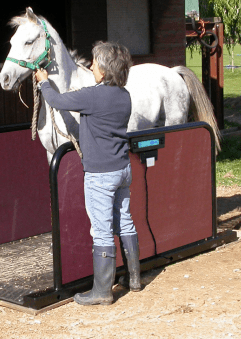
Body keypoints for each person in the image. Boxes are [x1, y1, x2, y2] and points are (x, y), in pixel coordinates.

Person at [35, 41, 141, 306]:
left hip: (101, 175)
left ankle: (102, 292)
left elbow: (57, 101)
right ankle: (135, 279)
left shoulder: (93, 96)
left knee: (102, 230)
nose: (91, 66)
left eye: (94, 62)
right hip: (122, 170)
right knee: (125, 221)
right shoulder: (124, 95)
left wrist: (44, 82)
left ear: (103, 71)